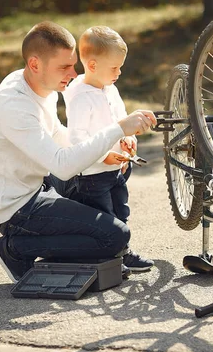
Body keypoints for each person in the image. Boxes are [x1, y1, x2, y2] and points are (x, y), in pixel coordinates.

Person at [0, 21, 156, 283]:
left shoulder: (43, 86)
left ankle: (80, 245)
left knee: (97, 183)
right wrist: (118, 129)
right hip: (16, 208)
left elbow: (59, 134)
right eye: (64, 67)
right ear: (35, 64)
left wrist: (109, 148)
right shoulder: (12, 105)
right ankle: (14, 249)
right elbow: (64, 165)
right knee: (114, 236)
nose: (73, 74)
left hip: (41, 183)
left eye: (73, 65)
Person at [63, 26, 153, 272]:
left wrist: (130, 140)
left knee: (121, 210)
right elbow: (77, 138)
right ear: (92, 66)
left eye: (120, 67)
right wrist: (103, 156)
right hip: (93, 175)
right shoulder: (81, 97)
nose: (119, 72)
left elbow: (121, 120)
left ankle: (122, 253)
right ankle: (109, 258)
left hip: (117, 168)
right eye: (114, 68)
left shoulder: (110, 89)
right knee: (104, 215)